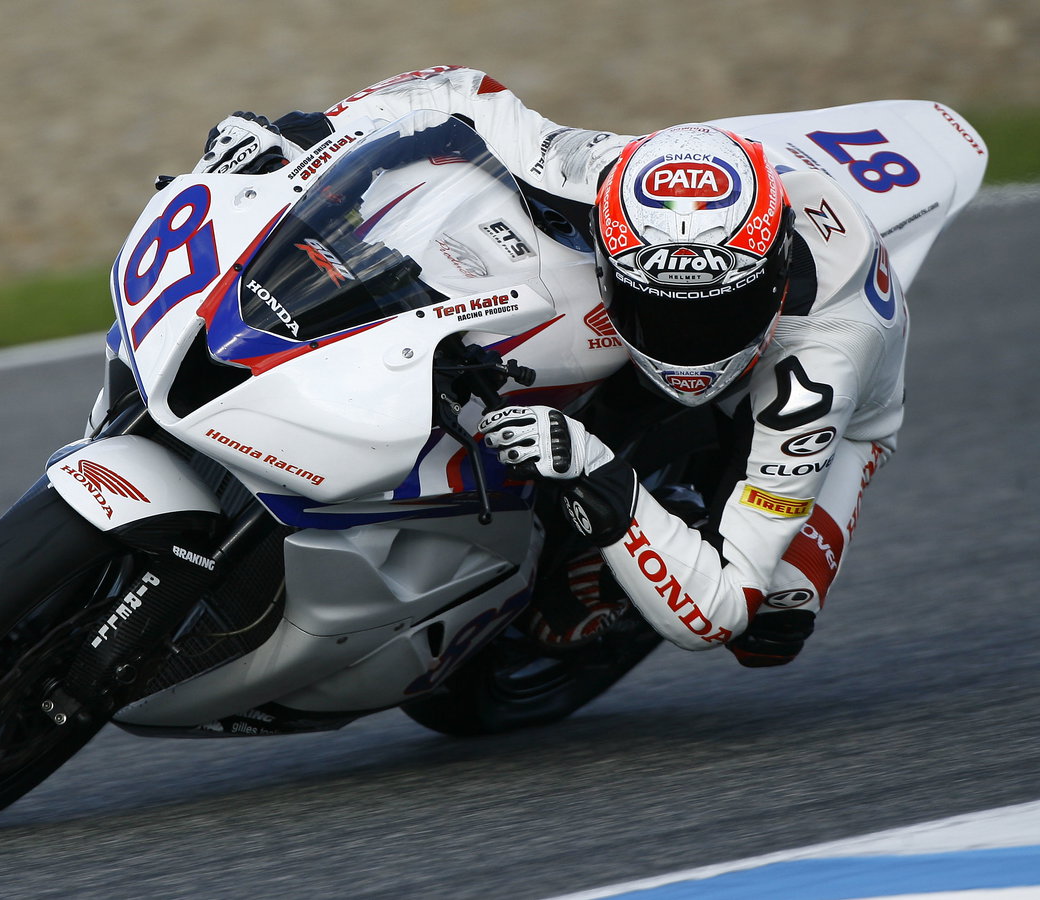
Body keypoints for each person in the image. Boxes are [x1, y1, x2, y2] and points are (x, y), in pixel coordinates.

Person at [191, 66, 911, 667]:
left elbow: (713, 614)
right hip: (671, 264)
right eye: (657, 307)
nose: (684, 339)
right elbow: (460, 92)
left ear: (774, 274)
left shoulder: (822, 364)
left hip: (828, 406)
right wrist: (301, 133)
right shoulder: (600, 175)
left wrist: (592, 466)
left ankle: (589, 571)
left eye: (711, 313)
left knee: (768, 627)